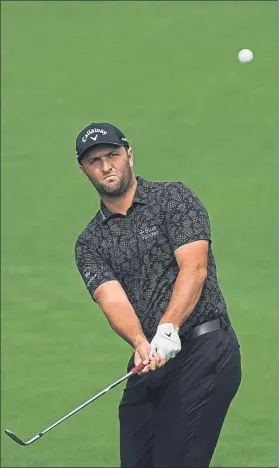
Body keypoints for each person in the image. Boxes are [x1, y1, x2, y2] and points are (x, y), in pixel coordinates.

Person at [74, 122, 242, 468]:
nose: (106, 166)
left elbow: (194, 269)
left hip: (205, 348)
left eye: (112, 155)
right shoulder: (89, 242)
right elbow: (112, 299)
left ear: (129, 155)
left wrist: (168, 327)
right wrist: (140, 342)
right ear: (84, 170)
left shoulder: (174, 199)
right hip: (150, 359)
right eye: (94, 161)